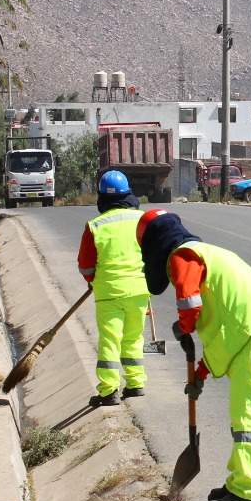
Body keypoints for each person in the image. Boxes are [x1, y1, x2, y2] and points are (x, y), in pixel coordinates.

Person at [137, 208, 251, 501]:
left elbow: (189, 301)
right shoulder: (205, 251)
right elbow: (225, 328)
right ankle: (238, 481)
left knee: (248, 414)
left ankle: (249, 490)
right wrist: (201, 372)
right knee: (243, 412)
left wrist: (183, 328)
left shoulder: (184, 255)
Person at [77, 170, 149, 407]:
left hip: (108, 293)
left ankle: (108, 392)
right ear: (128, 194)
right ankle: (136, 383)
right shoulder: (143, 220)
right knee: (133, 338)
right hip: (139, 290)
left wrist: (93, 281)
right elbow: (153, 256)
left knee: (110, 341)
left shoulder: (95, 225)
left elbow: (86, 265)